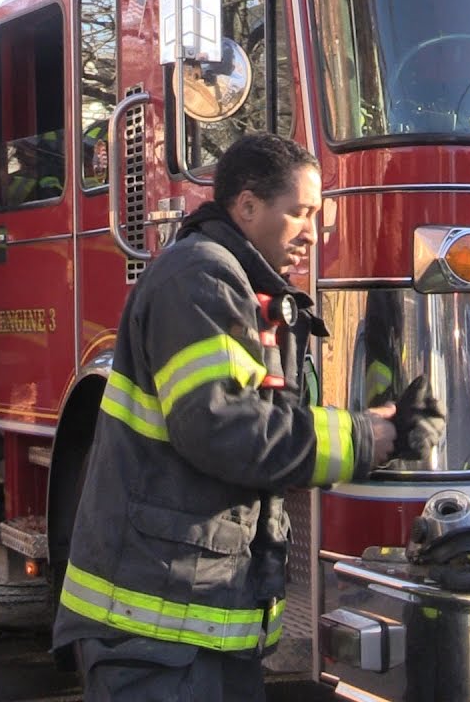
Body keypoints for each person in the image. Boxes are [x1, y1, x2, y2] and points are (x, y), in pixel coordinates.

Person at [52, 133, 439, 701]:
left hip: (198, 623)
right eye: (300, 213)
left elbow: (257, 418)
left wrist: (376, 420)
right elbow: (224, 428)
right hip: (154, 634)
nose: (313, 232)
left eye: (317, 215)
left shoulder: (240, 286)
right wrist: (369, 437)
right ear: (249, 205)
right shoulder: (199, 278)